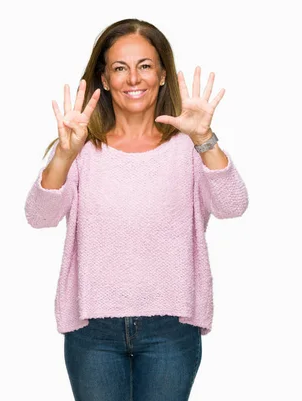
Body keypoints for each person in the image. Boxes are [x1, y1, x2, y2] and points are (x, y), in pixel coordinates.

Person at [24, 18, 248, 401]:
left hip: (171, 327)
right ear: (105, 79)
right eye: (120, 68)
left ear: (162, 74)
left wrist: (204, 138)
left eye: (145, 65)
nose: (133, 78)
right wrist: (64, 154)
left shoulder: (188, 146)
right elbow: (39, 216)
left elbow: (233, 206)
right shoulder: (81, 145)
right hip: (93, 329)